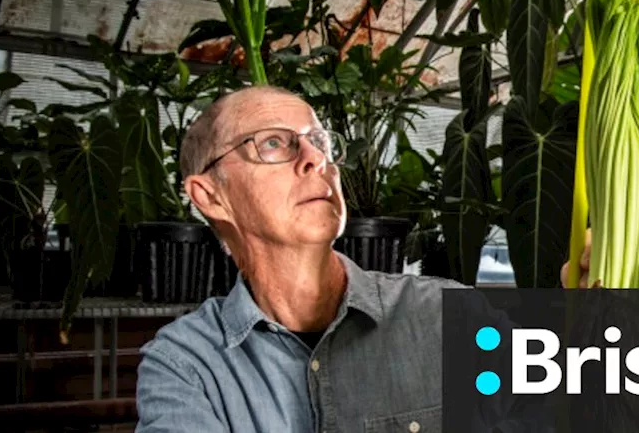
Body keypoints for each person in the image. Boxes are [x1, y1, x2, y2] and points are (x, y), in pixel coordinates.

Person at [135, 85, 467, 432]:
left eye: (320, 142)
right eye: (273, 143)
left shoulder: (446, 316)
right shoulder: (185, 365)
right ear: (209, 196)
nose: (316, 159)